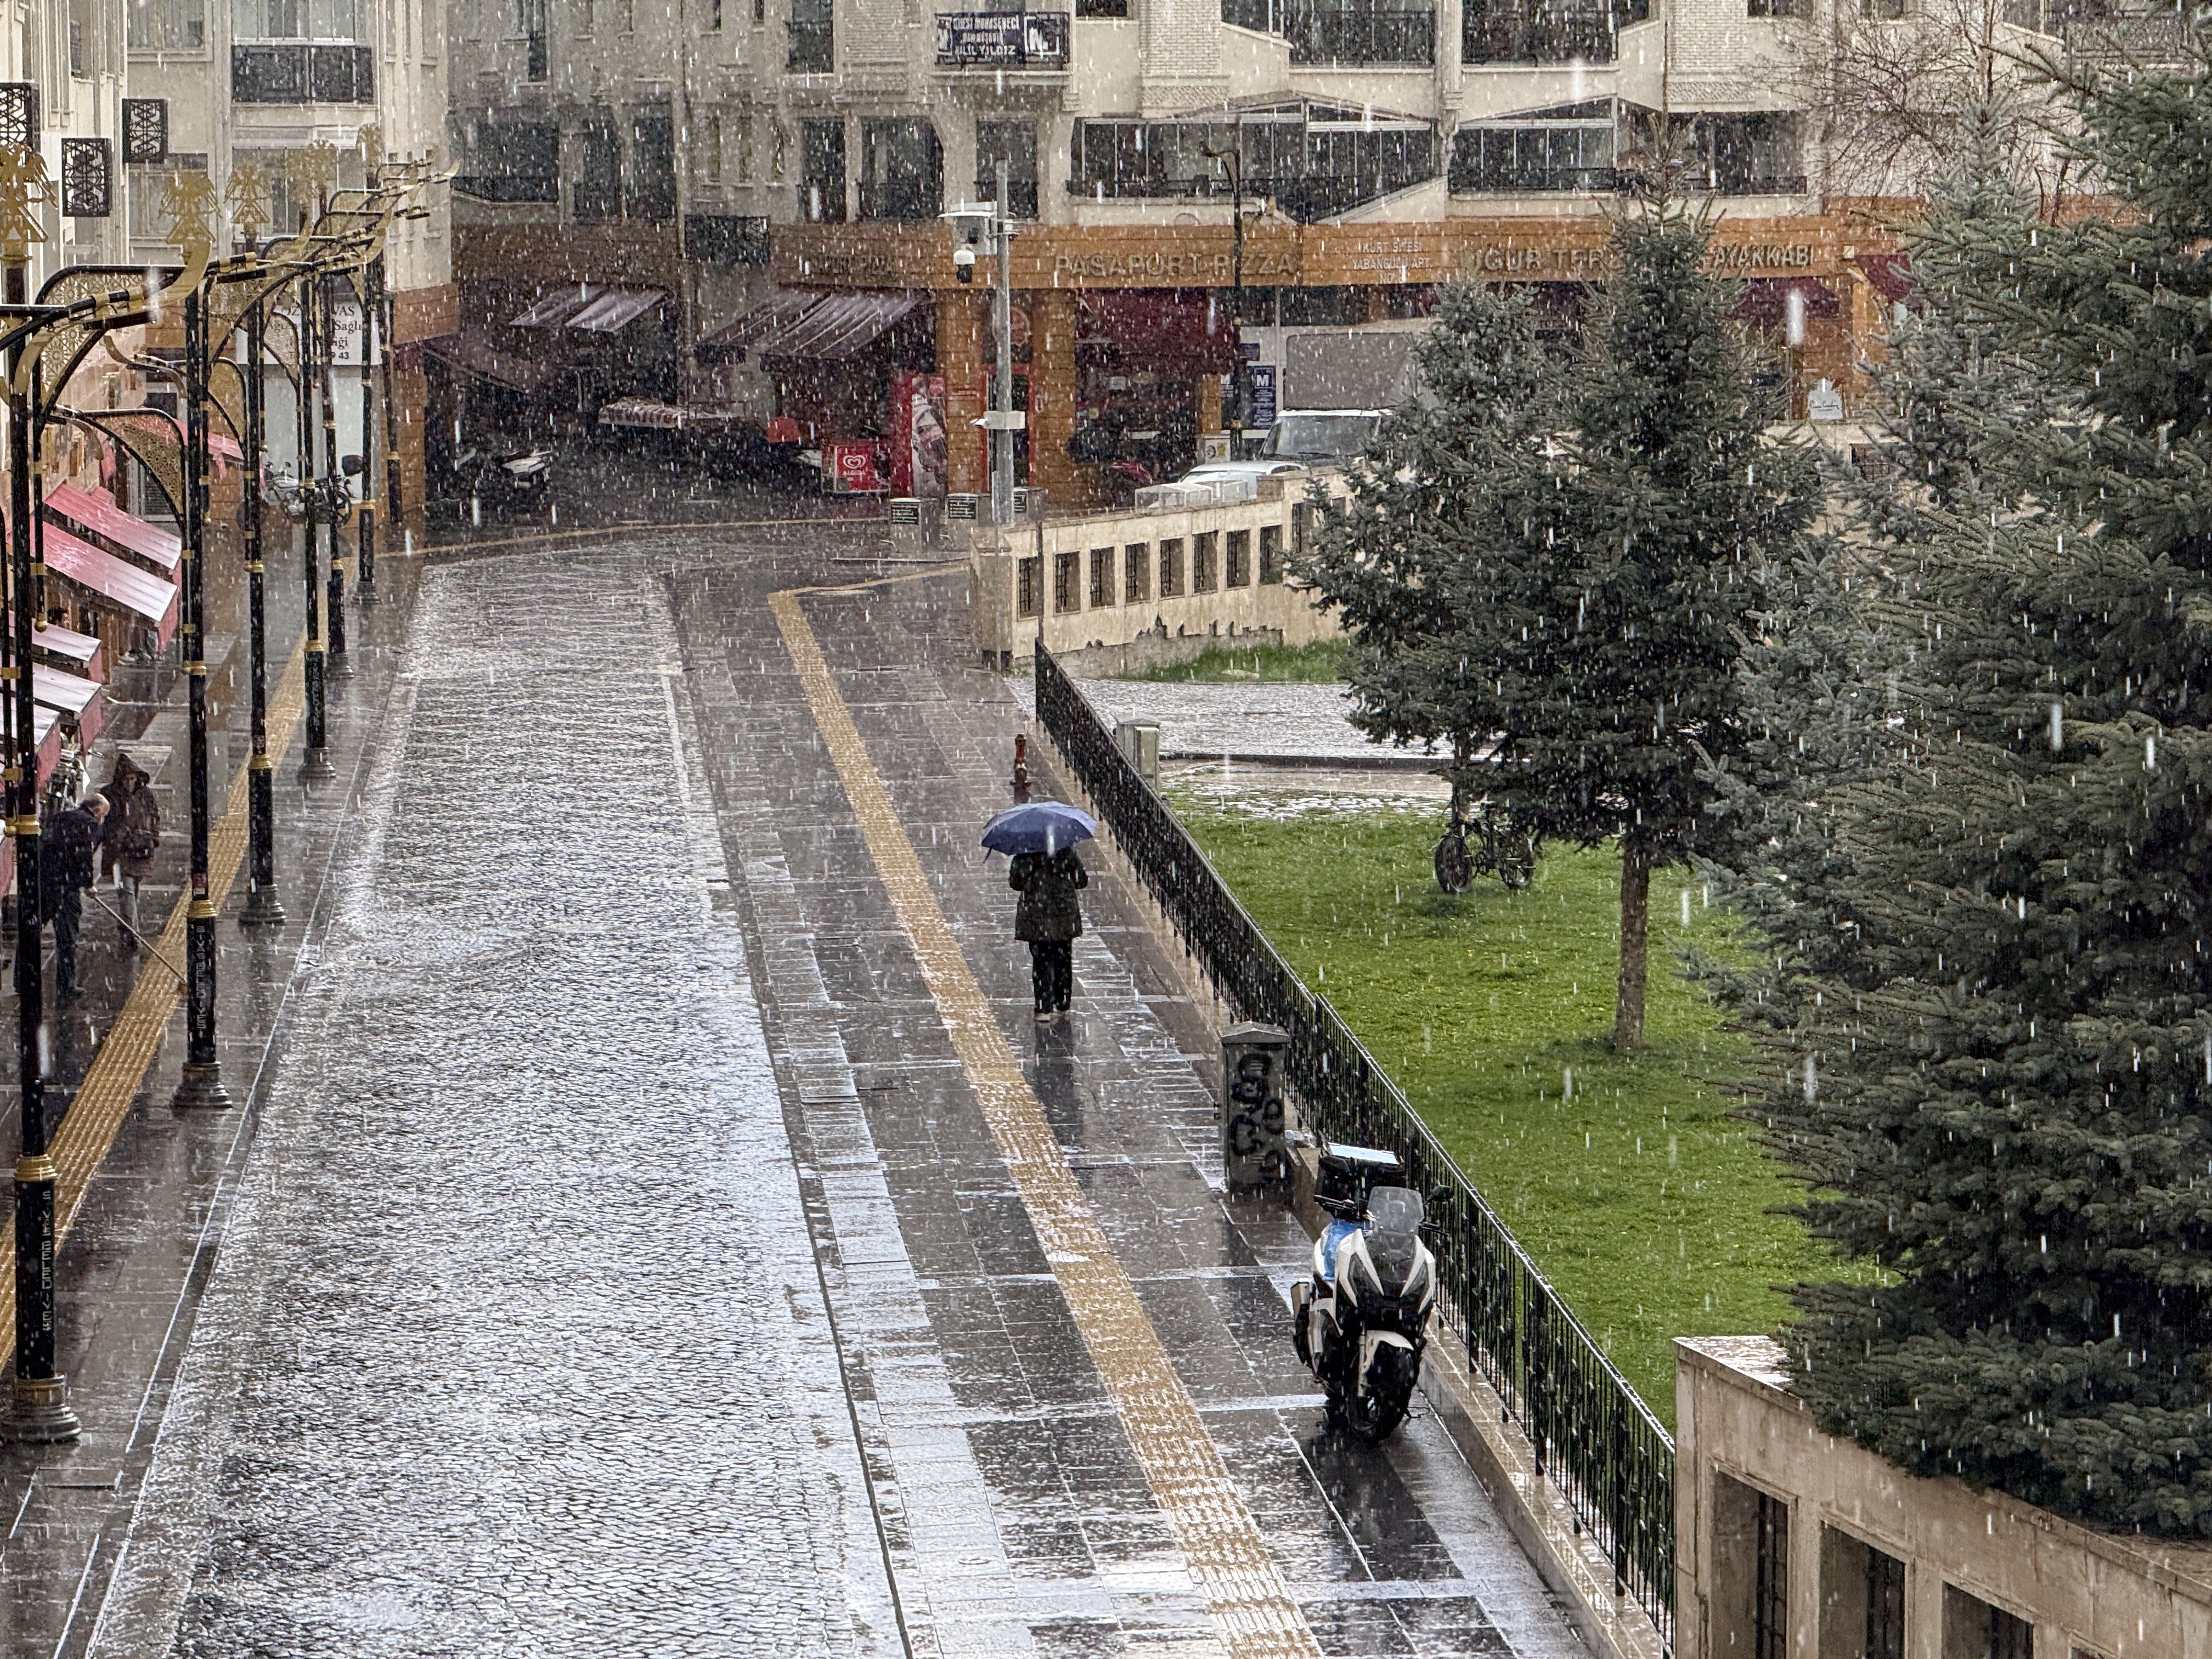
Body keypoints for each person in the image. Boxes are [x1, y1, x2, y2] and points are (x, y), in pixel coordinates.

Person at [1010, 843, 1087, 1020]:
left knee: (1041, 960)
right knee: (1063, 956)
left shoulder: (1026, 852)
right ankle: (1063, 1000)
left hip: (1037, 914)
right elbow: (1081, 880)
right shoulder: (1066, 849)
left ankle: (1043, 1006)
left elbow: (1016, 883)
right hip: (1063, 912)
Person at [43, 791, 106, 1002]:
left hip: (45, 882)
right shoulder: (90, 825)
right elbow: (84, 854)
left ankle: (22, 979)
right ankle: (66, 984)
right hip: (66, 887)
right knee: (67, 938)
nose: (103, 819)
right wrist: (88, 884)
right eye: (103, 815)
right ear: (96, 811)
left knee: (32, 930)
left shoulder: (59, 817)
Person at [100, 752, 160, 952]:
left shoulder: (146, 795)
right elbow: (103, 823)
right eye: (126, 779)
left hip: (141, 851)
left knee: (133, 892)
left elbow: (155, 816)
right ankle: (133, 934)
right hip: (119, 853)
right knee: (126, 892)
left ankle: (127, 926)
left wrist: (154, 837)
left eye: (132, 779)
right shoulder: (110, 795)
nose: (129, 783)